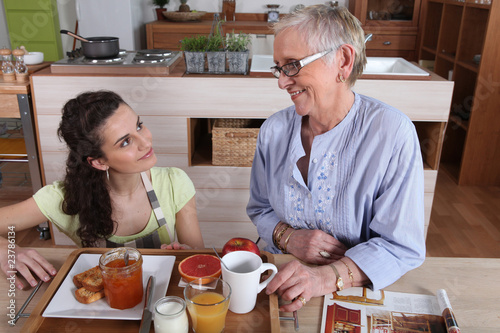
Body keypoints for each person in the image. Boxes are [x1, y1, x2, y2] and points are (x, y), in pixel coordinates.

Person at [247, 5, 425, 312]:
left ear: (342, 60)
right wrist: (288, 237)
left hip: (352, 291)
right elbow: (260, 208)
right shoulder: (273, 130)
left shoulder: (392, 133)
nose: (281, 82)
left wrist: (324, 277)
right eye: (279, 67)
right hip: (275, 284)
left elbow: (400, 246)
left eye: (292, 65)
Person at [0, 90, 204, 289]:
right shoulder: (64, 198)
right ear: (99, 161)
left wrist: (185, 254)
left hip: (161, 303)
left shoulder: (174, 183)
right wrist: (7, 251)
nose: (146, 141)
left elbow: (200, 265)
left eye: (139, 126)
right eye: (125, 142)